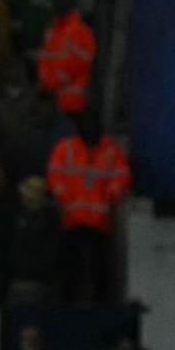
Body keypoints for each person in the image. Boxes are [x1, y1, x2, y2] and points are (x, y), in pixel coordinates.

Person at [42, 111, 126, 303]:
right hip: (72, 221)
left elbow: (121, 178)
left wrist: (107, 196)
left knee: (99, 269)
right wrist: (66, 197)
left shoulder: (111, 152)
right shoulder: (65, 149)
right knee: (70, 267)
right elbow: (54, 176)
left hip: (98, 223)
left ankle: (98, 302)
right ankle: (68, 301)